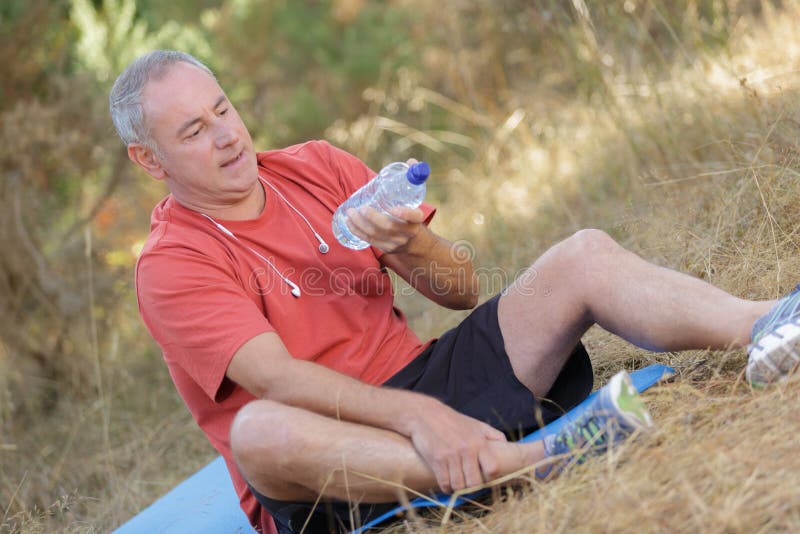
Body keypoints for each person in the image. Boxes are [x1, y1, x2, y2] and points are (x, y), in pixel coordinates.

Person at [110, 50, 800, 534]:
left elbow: (461, 291)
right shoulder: (173, 263)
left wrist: (409, 245)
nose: (227, 137)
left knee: (583, 253)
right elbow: (277, 379)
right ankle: (536, 461)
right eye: (194, 131)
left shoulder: (315, 167)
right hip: (340, 461)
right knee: (259, 429)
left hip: (432, 384)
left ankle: (770, 321)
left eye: (223, 109)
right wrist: (416, 419)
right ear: (149, 159)